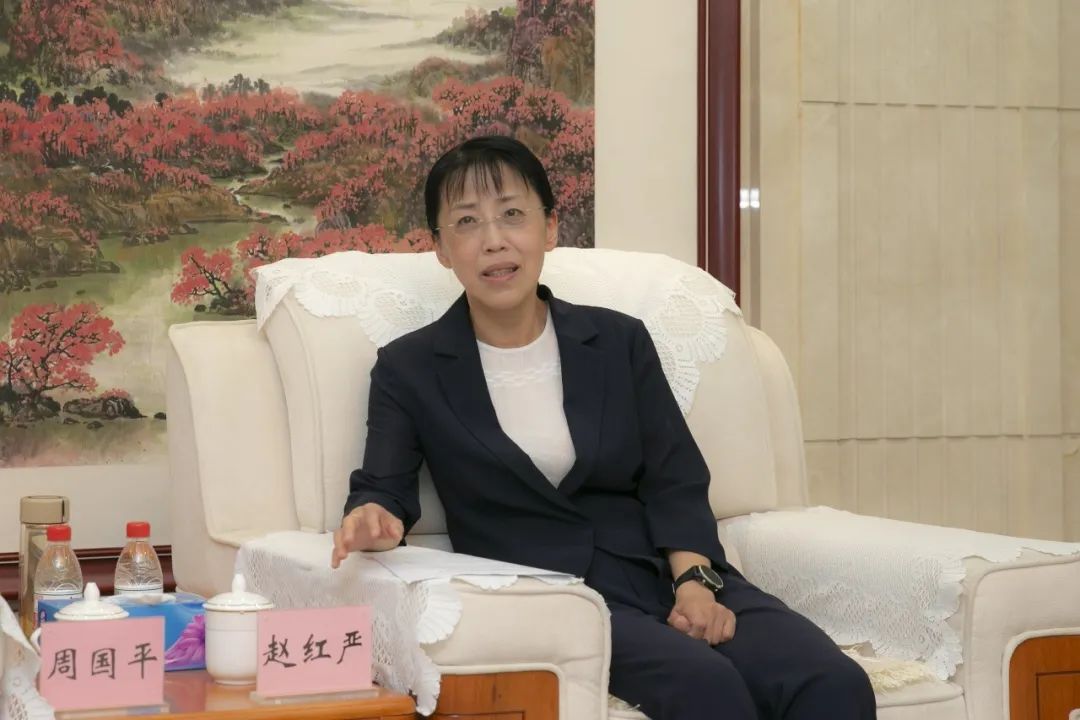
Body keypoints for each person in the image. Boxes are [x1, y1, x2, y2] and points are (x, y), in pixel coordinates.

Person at [330, 135, 876, 720]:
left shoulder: (618, 340)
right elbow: (382, 492)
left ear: (550, 228)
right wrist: (372, 520)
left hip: (663, 570)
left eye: (513, 214)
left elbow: (674, 477)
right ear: (440, 248)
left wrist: (695, 582)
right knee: (707, 687)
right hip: (557, 599)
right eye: (467, 222)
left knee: (832, 682)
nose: (493, 240)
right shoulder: (410, 368)